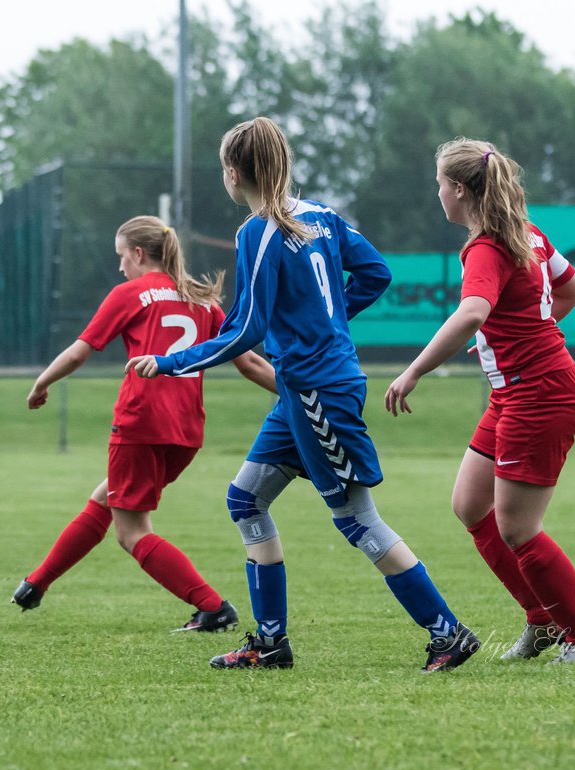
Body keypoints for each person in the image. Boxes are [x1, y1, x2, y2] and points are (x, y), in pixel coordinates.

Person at [127, 117, 479, 672]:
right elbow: (376, 273)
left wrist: (172, 362)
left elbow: (243, 331)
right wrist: (329, 317)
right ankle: (270, 643)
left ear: (233, 173)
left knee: (357, 519)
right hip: (303, 388)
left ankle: (448, 633)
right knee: (245, 499)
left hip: (319, 391)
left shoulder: (259, 231)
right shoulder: (322, 216)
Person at [384, 138, 575, 664]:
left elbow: (471, 314)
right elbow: (573, 289)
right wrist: (530, 333)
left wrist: (414, 370)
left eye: (439, 183)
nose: (437, 192)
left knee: (517, 528)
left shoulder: (487, 246)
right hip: (516, 393)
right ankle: (543, 620)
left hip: (540, 392)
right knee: (469, 506)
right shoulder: (526, 235)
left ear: (459, 189)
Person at [12, 215, 277, 631]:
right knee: (107, 499)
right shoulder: (203, 300)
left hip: (140, 424)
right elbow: (248, 362)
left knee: (131, 531)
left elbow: (81, 351)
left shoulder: (129, 294)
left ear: (138, 253)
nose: (120, 266)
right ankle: (35, 584)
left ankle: (212, 606)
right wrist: (296, 392)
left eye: (122, 256)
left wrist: (42, 382)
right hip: (185, 432)